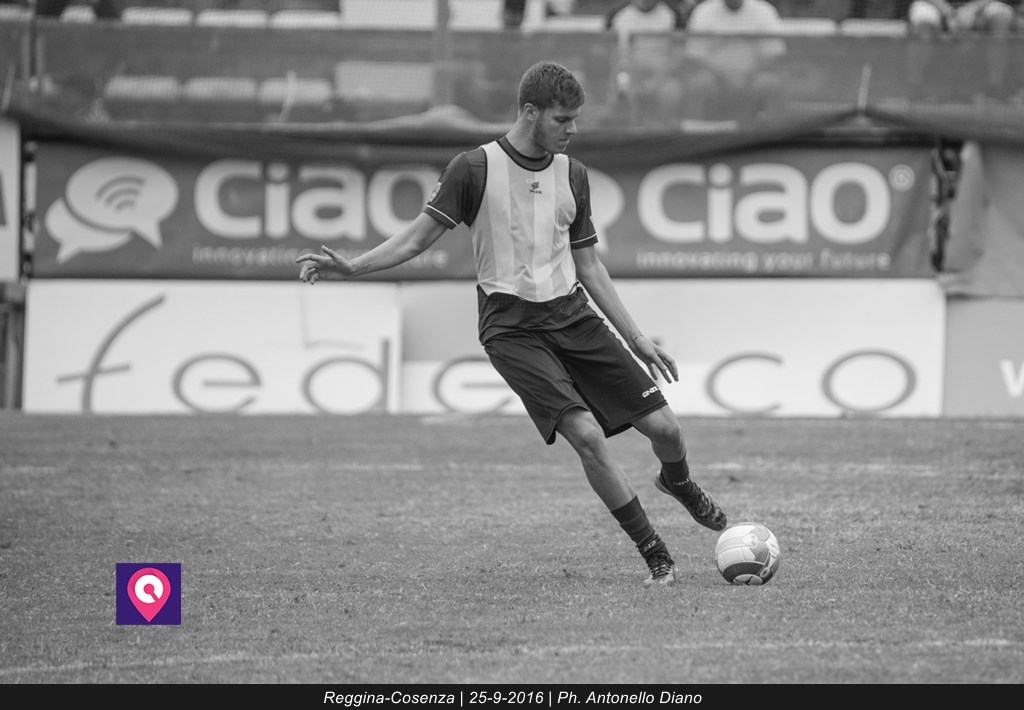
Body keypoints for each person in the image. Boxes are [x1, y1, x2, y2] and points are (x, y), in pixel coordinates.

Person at [296, 60, 727, 588]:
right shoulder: (473, 169)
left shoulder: (573, 174)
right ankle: (655, 553)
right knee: (587, 435)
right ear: (529, 112)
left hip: (573, 316)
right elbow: (416, 238)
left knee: (666, 429)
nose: (573, 129)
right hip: (511, 328)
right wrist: (354, 267)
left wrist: (637, 339)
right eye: (563, 119)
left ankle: (678, 483)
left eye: (575, 119)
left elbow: (589, 265)